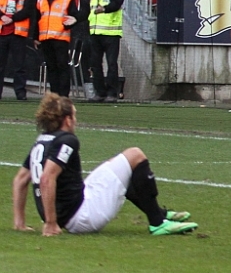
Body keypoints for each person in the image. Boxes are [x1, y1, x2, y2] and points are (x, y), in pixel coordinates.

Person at [11, 93, 198, 236]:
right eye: (74, 116)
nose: (76, 121)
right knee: (135, 155)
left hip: (70, 210)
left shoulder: (42, 140)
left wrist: (20, 222)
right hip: (81, 216)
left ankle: (158, 213)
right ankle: (158, 223)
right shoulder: (67, 140)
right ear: (67, 120)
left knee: (118, 166)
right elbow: (47, 178)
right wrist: (50, 223)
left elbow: (20, 180)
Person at [35, 0, 78, 97]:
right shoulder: (41, 1)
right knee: (51, 67)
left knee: (62, 67)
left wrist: (67, 25)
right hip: (45, 39)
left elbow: (74, 17)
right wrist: (35, 38)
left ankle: (63, 95)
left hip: (61, 38)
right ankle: (55, 94)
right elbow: (36, 20)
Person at [87, 0, 125, 103]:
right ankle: (100, 92)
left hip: (111, 33)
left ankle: (112, 93)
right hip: (95, 33)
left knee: (112, 64)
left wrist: (104, 9)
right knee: (95, 64)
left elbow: (115, 4)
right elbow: (88, 10)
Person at [0, 0, 33, 100]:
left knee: (19, 66)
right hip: (2, 32)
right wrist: (2, 16)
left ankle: (20, 93)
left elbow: (28, 11)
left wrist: (12, 19)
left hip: (18, 34)